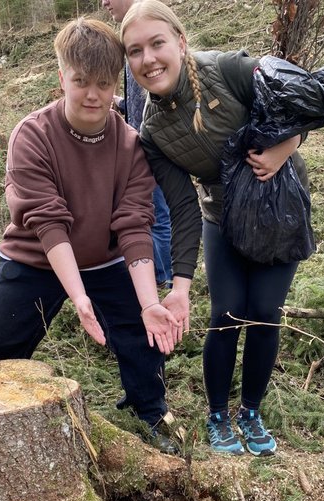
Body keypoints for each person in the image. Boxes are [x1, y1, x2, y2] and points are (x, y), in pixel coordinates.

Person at [0, 17, 178, 451]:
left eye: (103, 84)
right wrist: (78, 296)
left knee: (142, 334)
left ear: (116, 83)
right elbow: (47, 220)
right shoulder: (33, 135)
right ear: (61, 76)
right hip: (35, 258)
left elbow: (135, 226)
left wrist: (149, 303)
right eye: (80, 81)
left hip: (106, 260)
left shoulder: (130, 146)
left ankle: (153, 413)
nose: (92, 94)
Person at [121, 0, 311, 455]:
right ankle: (217, 415)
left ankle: (251, 410)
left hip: (279, 209)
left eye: (156, 43)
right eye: (134, 51)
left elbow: (301, 98)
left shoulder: (227, 70)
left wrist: (285, 147)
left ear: (180, 41)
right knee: (226, 315)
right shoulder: (152, 133)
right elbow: (183, 209)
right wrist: (181, 285)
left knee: (265, 312)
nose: (148, 59)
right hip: (220, 218)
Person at [101, 0, 173, 288]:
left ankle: (161, 276)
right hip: (140, 146)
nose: (104, 3)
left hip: (152, 149)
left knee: (157, 215)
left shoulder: (144, 34)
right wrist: (116, 102)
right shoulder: (131, 36)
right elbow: (137, 103)